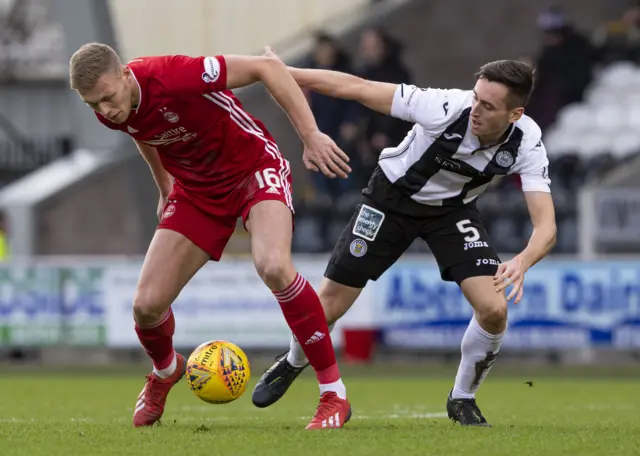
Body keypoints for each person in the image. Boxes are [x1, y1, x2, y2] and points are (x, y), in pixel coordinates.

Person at [252, 49, 557, 427]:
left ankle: (462, 399)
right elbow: (356, 87)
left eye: (489, 106)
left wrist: (523, 261)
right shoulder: (444, 106)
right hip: (389, 202)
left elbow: (546, 227)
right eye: (476, 96)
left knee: (494, 310)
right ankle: (294, 360)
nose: (476, 108)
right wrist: (284, 72)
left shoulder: (527, 142)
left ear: (515, 115)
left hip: (451, 213)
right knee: (327, 306)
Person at [68, 43, 352, 430]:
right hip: (196, 190)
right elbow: (143, 131)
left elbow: (267, 68)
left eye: (106, 98)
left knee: (273, 266)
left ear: (124, 75)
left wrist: (311, 134)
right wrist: (165, 187)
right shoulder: (111, 109)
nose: (104, 110)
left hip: (253, 169)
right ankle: (166, 371)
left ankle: (332, 393)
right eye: (93, 105)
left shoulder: (173, 75)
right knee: (146, 306)